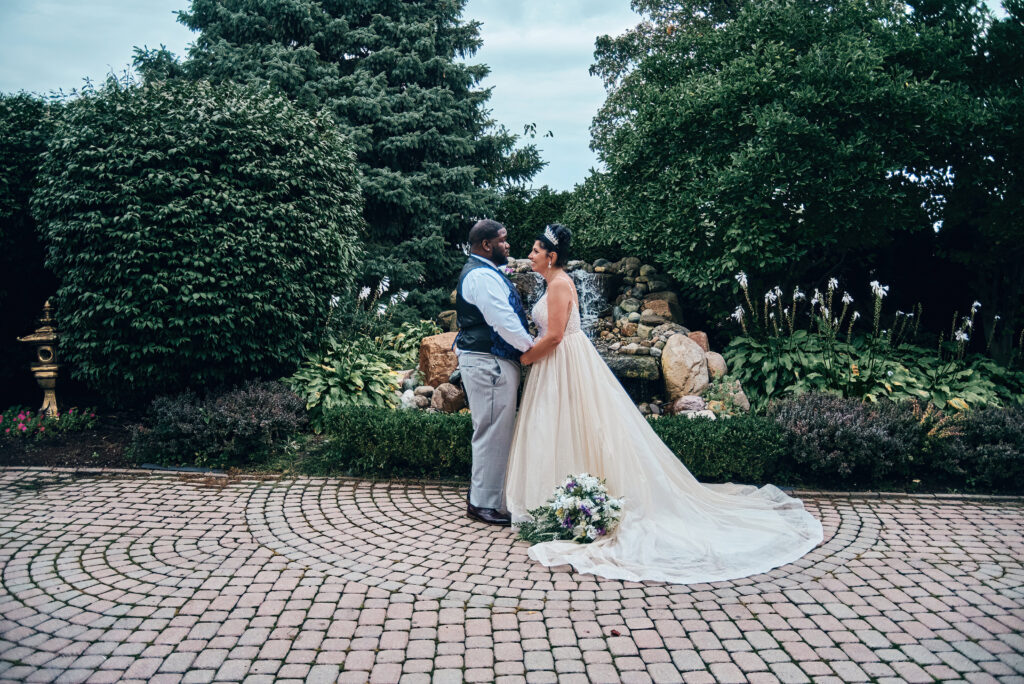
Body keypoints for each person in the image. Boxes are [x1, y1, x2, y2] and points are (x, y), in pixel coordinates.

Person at [505, 224, 824, 584]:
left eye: (535, 250)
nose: (530, 255)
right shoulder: (552, 283)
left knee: (575, 424)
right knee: (556, 426)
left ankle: (575, 500)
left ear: (552, 256)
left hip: (563, 361)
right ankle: (559, 499)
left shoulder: (561, 284)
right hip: (556, 365)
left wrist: (528, 357)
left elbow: (557, 335)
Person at [455, 219, 534, 525]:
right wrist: (531, 347)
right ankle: (482, 504)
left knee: (495, 431)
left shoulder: (483, 272)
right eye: (503, 239)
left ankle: (485, 496)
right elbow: (502, 321)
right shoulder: (481, 277)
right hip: (489, 362)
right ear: (486, 245)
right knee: (491, 432)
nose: (508, 244)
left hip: (489, 360)